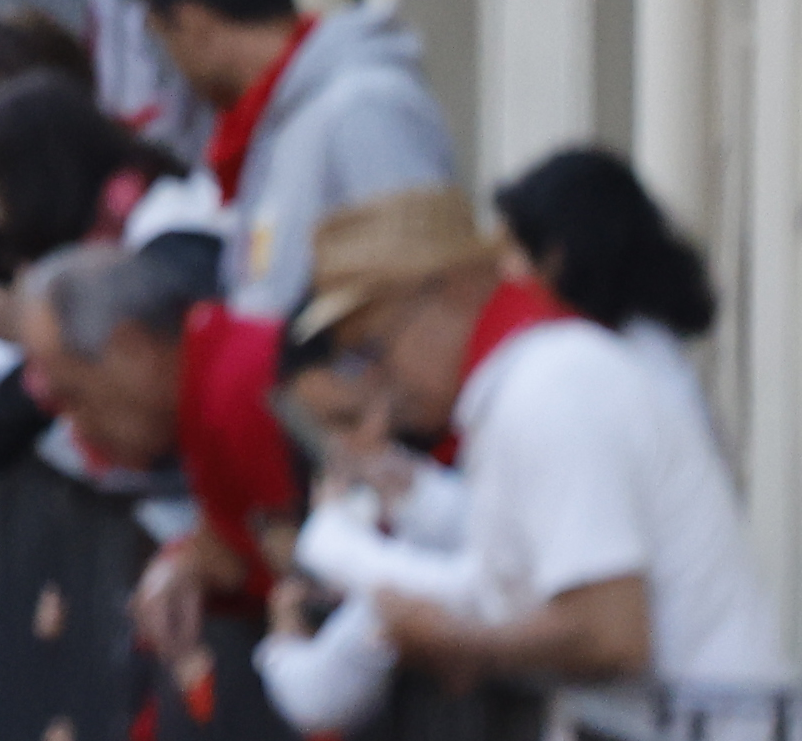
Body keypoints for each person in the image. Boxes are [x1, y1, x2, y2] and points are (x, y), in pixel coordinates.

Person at [284, 185, 785, 686]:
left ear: (453, 289)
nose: (378, 385)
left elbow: (609, 633)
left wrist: (463, 644)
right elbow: (507, 584)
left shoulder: (549, 386)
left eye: (375, 349)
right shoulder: (527, 382)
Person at [124, 0, 452, 324]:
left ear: (194, 24)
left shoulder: (362, 108)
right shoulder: (280, 123)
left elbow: (419, 291)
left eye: (162, 37)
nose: (171, 67)